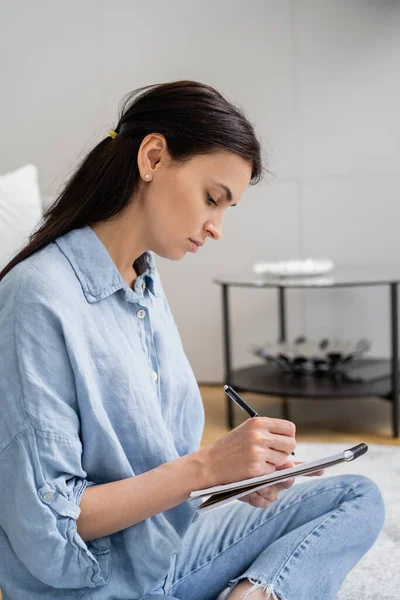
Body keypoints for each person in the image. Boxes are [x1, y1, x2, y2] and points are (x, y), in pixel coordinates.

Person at [0, 80, 384, 600]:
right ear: (153, 158)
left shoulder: (144, 283)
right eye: (212, 198)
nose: (217, 227)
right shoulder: (37, 296)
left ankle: (254, 594)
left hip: (165, 547)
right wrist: (205, 467)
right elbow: (48, 527)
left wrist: (237, 477)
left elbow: (161, 460)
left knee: (357, 495)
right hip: (98, 581)